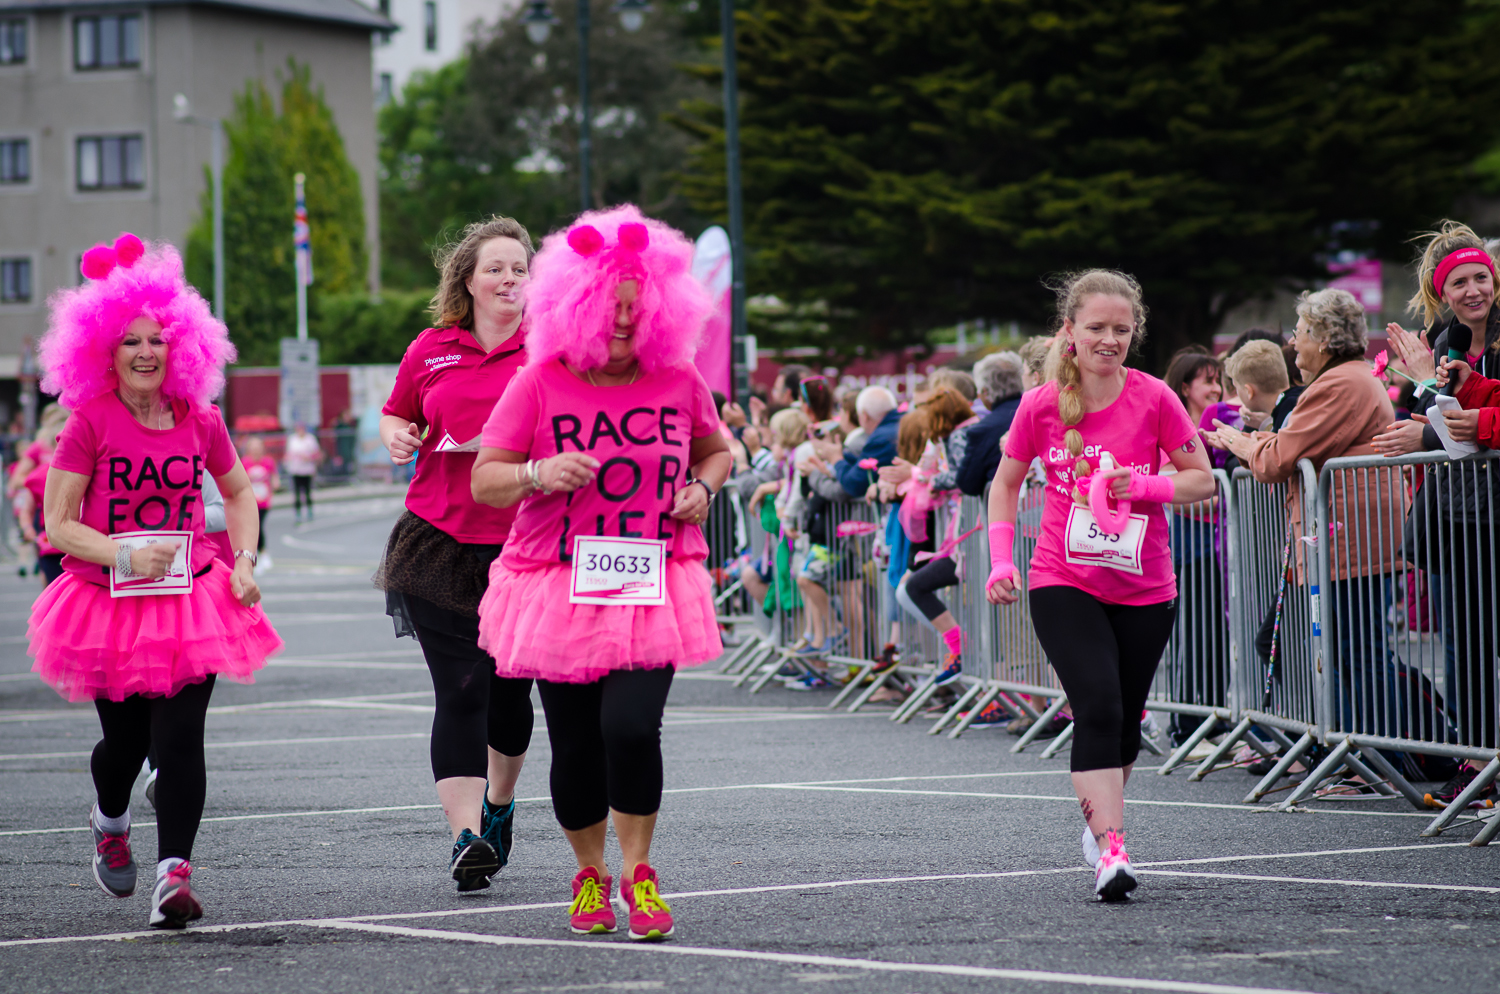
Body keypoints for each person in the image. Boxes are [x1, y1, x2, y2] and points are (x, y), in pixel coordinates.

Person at [471, 205, 731, 941]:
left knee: (630, 727)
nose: (623, 323)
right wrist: (538, 472)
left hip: (652, 577)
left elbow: (717, 450)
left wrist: (702, 489)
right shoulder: (540, 382)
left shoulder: (677, 379)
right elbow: (484, 480)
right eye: (610, 309)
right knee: (577, 741)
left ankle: (640, 873)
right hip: (558, 583)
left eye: (636, 309)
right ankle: (590, 875)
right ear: (575, 306)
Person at [27, 233, 282, 928]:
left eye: (157, 340)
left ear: (180, 347)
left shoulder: (199, 419)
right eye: (129, 341)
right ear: (103, 352)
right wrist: (118, 554)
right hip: (105, 598)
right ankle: (109, 818)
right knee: (126, 746)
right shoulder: (89, 422)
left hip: (190, 593)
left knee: (180, 741)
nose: (145, 353)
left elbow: (237, 496)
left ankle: (174, 874)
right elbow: (58, 521)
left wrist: (247, 562)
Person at [986, 270, 1214, 902]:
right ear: (1070, 331)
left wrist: (1143, 486)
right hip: (1064, 577)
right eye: (1097, 328)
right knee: (1099, 706)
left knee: (1125, 722)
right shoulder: (1040, 406)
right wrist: (1002, 561)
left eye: (1121, 329)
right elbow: (1005, 485)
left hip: (1146, 585)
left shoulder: (1156, 399)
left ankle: (1102, 819)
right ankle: (1113, 848)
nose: (1109, 340)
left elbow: (1203, 480)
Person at [369, 217, 538, 892]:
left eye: (519, 269)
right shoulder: (432, 347)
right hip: (439, 541)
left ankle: (500, 804)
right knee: (462, 689)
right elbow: (394, 411)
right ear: (466, 279)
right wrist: (397, 435)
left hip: (528, 544)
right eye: (495, 268)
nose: (508, 279)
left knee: (508, 695)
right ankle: (466, 838)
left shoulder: (551, 349)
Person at [1205, 289, 1405, 754]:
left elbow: (1280, 459)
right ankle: (1366, 756)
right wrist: (1265, 440)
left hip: (1350, 543)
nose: (1293, 345)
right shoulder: (1345, 381)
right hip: (1345, 540)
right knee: (1352, 653)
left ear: (1323, 338)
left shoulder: (1340, 384)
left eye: (1299, 333)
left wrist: (1243, 442)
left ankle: (1381, 757)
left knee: (1357, 655)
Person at [1377, 221, 1500, 806]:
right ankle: (1477, 766)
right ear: (1441, 292)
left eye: (1482, 278)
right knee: (1464, 646)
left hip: (1493, 506)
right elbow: (1441, 418)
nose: (1474, 290)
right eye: (1461, 282)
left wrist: (1434, 410)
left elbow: (1471, 418)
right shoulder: (1443, 341)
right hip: (1455, 511)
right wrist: (1421, 422)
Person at [885, 388, 979, 686]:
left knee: (916, 586)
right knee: (914, 587)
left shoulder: (962, 434)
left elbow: (961, 477)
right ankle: (961, 651)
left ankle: (962, 649)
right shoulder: (955, 435)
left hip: (970, 539)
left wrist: (922, 477)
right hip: (963, 535)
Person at [955, 351, 1025, 497]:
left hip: (1006, 513)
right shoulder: (1041, 411)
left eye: (979, 392)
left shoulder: (983, 429)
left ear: (986, 392)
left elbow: (968, 483)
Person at [832, 386, 900, 497]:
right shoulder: (904, 424)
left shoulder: (880, 439)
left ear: (864, 416)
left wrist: (835, 459)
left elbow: (855, 483)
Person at [241, 435, 278, 573]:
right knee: (253, 528)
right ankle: (258, 555)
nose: (256, 451)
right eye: (253, 448)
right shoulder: (244, 463)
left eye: (258, 448)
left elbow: (274, 476)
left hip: (263, 500)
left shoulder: (268, 462)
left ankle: (262, 554)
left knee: (258, 527)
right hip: (250, 501)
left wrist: (275, 483)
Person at [283, 422, 321, 522]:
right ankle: (298, 513)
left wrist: (308, 457)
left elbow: (317, 454)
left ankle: (309, 511)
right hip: (296, 470)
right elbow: (288, 454)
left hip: (307, 470)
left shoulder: (310, 439)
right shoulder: (292, 439)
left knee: (308, 492)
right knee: (297, 493)